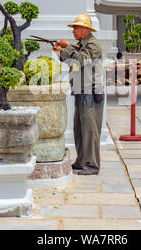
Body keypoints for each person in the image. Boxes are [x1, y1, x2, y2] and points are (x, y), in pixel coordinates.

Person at [53, 13, 104, 176]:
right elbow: (73, 63)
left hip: (90, 91)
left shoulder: (93, 45)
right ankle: (82, 161)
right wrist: (61, 53)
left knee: (90, 130)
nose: (73, 31)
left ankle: (92, 165)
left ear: (85, 29)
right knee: (79, 129)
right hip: (81, 91)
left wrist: (67, 47)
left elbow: (82, 60)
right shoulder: (82, 44)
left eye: (76, 27)